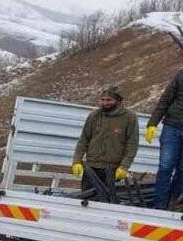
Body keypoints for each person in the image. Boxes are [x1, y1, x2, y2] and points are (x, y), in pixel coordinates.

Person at [72, 86, 139, 200]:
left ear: (118, 101)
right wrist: (76, 161)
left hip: (113, 169)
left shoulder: (129, 118)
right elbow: (84, 139)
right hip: (92, 167)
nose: (105, 103)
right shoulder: (94, 116)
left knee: (108, 202)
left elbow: (132, 144)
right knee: (86, 199)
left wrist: (124, 166)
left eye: (109, 100)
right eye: (102, 100)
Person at [146, 68, 183, 209]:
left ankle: (173, 203)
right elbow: (165, 100)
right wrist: (152, 123)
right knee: (165, 167)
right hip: (172, 126)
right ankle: (159, 206)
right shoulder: (180, 76)